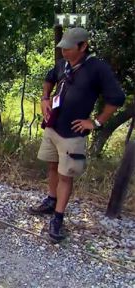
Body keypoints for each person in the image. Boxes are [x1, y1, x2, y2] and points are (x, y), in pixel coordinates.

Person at [30, 27, 125, 242]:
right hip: (53, 125)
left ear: (83, 46)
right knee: (52, 165)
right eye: (62, 48)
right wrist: (45, 98)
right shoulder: (63, 64)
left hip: (72, 134)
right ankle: (50, 201)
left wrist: (96, 122)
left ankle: (58, 218)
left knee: (66, 175)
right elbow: (49, 78)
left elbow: (117, 98)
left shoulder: (97, 69)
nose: (64, 52)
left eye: (69, 49)